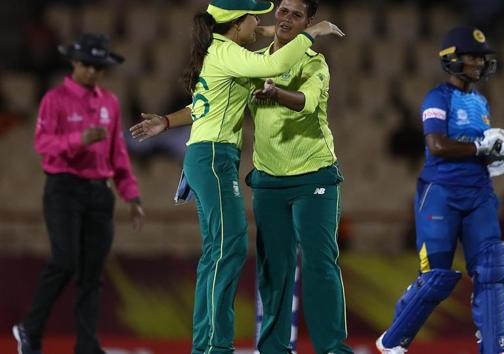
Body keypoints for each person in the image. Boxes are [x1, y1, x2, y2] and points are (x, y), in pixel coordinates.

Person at [128, 1, 344, 353]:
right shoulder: (229, 52)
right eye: (253, 17)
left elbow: (201, 106)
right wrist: (311, 33)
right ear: (237, 24)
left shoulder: (224, 50)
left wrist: (165, 121)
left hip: (210, 155)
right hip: (214, 156)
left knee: (218, 250)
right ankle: (214, 347)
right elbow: (274, 63)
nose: (261, 21)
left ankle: (208, 344)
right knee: (228, 247)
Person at [376, 26, 504, 354]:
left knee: (492, 270)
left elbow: (480, 148)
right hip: (441, 192)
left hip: (479, 192)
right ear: (452, 59)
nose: (479, 65)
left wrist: (498, 154)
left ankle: (496, 349)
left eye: (483, 59)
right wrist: (482, 147)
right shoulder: (436, 98)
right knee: (436, 278)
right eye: (472, 58)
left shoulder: (481, 101)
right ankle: (392, 342)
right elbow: (437, 145)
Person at [12, 33, 145, 354]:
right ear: (74, 62)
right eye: (87, 64)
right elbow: (42, 144)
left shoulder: (110, 102)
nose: (93, 72)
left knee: (92, 274)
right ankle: (30, 329)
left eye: (98, 66)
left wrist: (132, 194)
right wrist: (78, 140)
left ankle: (86, 345)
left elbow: (118, 154)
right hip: (64, 188)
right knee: (64, 260)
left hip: (100, 193)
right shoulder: (54, 100)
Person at [246, 0, 352, 353]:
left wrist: (276, 92)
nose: (286, 18)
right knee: (273, 268)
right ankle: (274, 348)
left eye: (296, 14)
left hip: (313, 177)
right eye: (282, 11)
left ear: (309, 21)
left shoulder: (315, 63)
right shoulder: (257, 62)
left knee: (320, 263)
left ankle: (332, 348)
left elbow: (305, 102)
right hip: (268, 179)